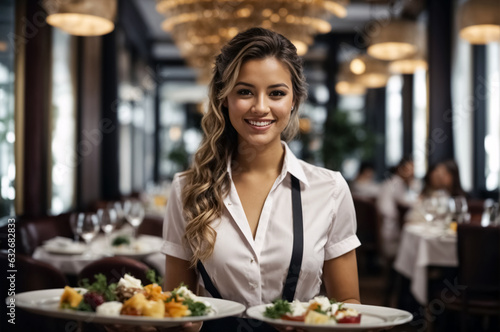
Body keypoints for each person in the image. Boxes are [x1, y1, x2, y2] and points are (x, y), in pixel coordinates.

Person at [162, 28, 360, 331]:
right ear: (224, 98)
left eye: (276, 93)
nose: (261, 107)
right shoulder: (187, 189)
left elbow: (348, 302)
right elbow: (177, 303)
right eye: (245, 92)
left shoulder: (330, 189)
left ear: (294, 100)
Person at [376, 157, 415, 259]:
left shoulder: (391, 181)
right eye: (408, 169)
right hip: (390, 231)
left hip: (387, 228)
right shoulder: (397, 183)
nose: (411, 173)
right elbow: (405, 202)